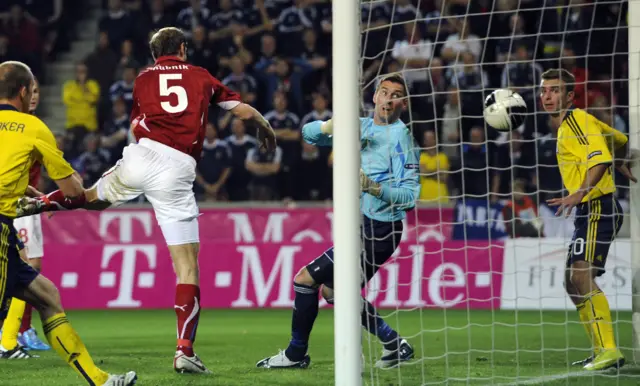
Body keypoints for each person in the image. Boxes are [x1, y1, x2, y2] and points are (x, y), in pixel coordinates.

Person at [16, 27, 277, 374]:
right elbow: (239, 109)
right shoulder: (201, 76)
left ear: (155, 54)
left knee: (92, 197)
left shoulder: (141, 79)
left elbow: (138, 120)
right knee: (186, 265)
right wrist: (264, 125)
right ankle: (184, 350)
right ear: (183, 48)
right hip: (177, 168)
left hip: (142, 155)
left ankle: (42, 203)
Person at [256, 73, 419, 369]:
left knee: (305, 279)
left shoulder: (401, 136)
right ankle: (395, 344)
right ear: (375, 97)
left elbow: (410, 196)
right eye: (384, 92)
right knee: (333, 291)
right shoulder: (362, 127)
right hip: (360, 226)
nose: (388, 98)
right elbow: (308, 134)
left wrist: (372, 187)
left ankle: (295, 355)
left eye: (396, 94)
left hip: (380, 229)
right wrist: (332, 125)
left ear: (403, 103)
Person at [0, 61, 137, 384]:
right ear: (24, 91)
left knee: (47, 295)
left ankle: (100, 380)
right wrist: (53, 199)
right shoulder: (32, 127)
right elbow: (73, 190)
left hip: (6, 229)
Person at [540, 68, 636, 371]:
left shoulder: (576, 121)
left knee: (581, 276)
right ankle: (601, 351)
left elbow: (599, 159)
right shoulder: (576, 124)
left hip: (598, 206)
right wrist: (620, 157)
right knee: (573, 282)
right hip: (590, 209)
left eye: (555, 90)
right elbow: (618, 139)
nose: (547, 96)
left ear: (569, 96)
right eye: (544, 90)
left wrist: (578, 193)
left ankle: (609, 349)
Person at [0, 76, 51, 354]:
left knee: (31, 268)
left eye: (38, 91)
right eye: (31, 91)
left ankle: (21, 330)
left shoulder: (33, 124)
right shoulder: (20, 124)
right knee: (25, 266)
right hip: (13, 203)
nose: (34, 96)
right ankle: (11, 335)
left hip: (28, 202)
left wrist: (45, 199)